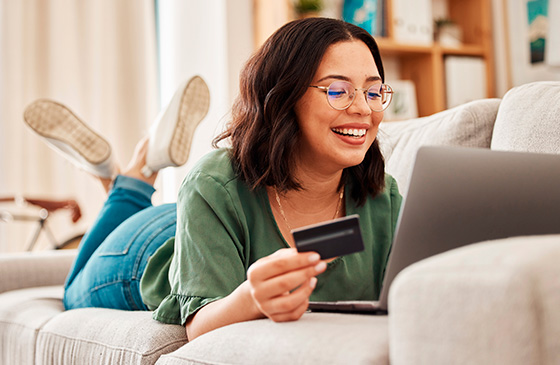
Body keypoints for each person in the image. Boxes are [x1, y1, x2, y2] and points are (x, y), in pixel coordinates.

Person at [23, 17, 401, 341]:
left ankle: (126, 172)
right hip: (145, 249)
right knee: (72, 292)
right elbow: (198, 327)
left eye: (372, 91)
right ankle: (132, 180)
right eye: (338, 90)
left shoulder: (384, 197)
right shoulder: (214, 182)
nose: (363, 109)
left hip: (208, 224)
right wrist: (251, 299)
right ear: (283, 97)